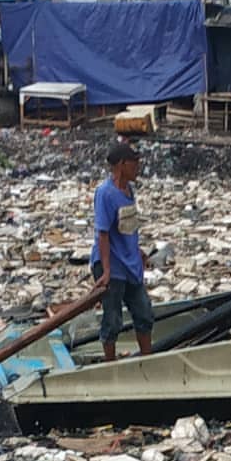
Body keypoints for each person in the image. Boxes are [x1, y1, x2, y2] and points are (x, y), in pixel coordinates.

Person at [89, 141, 154, 362]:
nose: (138, 167)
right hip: (112, 264)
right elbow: (103, 234)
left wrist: (138, 250)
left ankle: (147, 358)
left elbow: (128, 226)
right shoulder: (105, 193)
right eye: (134, 162)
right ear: (122, 164)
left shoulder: (129, 190)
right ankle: (110, 363)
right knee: (113, 319)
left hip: (130, 263)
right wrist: (106, 271)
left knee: (144, 312)